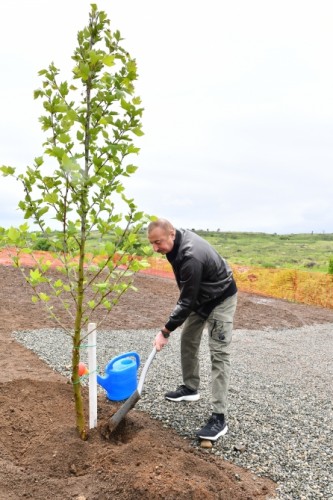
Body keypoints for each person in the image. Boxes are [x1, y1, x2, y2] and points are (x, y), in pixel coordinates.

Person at [148, 218, 238, 441]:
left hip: (220, 298)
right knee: (188, 339)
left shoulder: (190, 255)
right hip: (201, 297)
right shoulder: (174, 245)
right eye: (152, 243)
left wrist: (165, 331)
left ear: (171, 234)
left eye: (158, 242)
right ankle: (190, 388)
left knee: (219, 354)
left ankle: (219, 418)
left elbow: (186, 301)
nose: (155, 248)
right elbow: (188, 294)